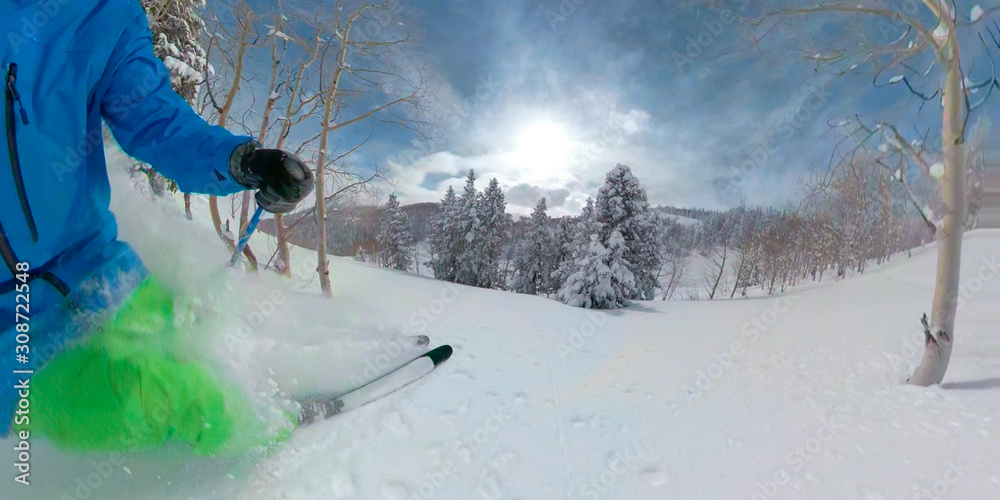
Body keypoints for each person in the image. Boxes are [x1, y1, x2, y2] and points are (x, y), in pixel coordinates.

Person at [1, 0, 314, 454]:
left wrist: (242, 162)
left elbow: (154, 119)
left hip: (99, 270)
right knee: (160, 399)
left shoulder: (106, 12)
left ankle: (270, 395)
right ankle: (262, 437)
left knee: (193, 336)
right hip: (12, 335)